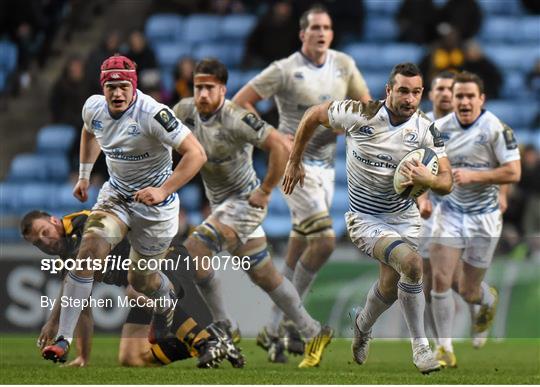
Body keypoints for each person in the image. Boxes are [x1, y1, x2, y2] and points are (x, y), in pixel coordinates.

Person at [282, 63, 453, 374]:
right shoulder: (359, 113)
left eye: (416, 92)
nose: (410, 98)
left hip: (404, 217)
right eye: (403, 90)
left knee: (389, 287)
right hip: (364, 217)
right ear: (389, 90)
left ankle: (361, 325)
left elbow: (447, 181)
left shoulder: (426, 130)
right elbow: (312, 115)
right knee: (413, 264)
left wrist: (428, 180)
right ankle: (421, 349)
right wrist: (295, 160)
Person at [41, 54, 207, 364]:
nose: (117, 93)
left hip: (156, 209)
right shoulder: (93, 107)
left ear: (134, 86)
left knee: (141, 280)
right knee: (89, 250)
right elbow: (89, 130)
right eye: (111, 87)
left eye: (123, 87)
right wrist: (84, 175)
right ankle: (64, 338)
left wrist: (163, 189)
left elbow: (196, 154)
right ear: (102, 88)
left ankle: (165, 301)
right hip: (116, 197)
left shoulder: (154, 114)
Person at [173, 58, 333, 368]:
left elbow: (279, 147)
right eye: (198, 88)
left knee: (194, 251)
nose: (202, 94)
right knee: (264, 275)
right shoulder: (184, 111)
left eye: (209, 88)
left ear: (223, 90)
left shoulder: (235, 117)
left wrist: (267, 189)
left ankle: (224, 327)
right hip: (221, 205)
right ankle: (313, 330)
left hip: (245, 202)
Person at [233, 5, 371, 360]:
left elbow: (367, 105)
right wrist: (271, 136)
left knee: (297, 249)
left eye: (326, 27)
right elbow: (239, 103)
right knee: (324, 241)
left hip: (327, 168)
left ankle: (274, 327)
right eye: (315, 28)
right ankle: (296, 323)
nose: (322, 32)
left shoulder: (344, 64)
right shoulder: (284, 69)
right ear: (302, 34)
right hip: (294, 168)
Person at [21, 210, 243, 368]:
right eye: (38, 243)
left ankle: (205, 342)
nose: (45, 242)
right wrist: (83, 357)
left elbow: (77, 276)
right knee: (131, 357)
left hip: (167, 257)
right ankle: (211, 337)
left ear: (53, 220)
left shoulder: (85, 222)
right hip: (144, 285)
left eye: (44, 232)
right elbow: (82, 311)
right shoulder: (69, 260)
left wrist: (53, 321)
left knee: (134, 291)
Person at [428, 71, 521, 366]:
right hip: (450, 212)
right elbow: (424, 167)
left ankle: (486, 299)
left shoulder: (496, 129)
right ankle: (444, 348)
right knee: (441, 280)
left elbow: (513, 172)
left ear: (482, 99)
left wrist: (474, 176)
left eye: (470, 96)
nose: (464, 101)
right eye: (459, 96)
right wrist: (420, 198)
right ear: (452, 100)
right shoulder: (438, 129)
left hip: (485, 217)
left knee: (468, 290)